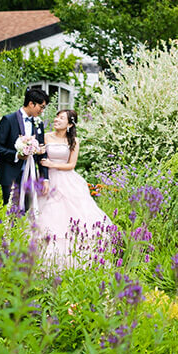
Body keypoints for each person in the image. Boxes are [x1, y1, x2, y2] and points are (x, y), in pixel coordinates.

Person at [32, 108, 113, 269]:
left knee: (71, 215)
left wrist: (52, 164)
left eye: (61, 118)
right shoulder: (45, 136)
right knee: (47, 215)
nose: (56, 120)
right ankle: (41, 258)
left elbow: (71, 165)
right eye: (56, 117)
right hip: (47, 179)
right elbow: (38, 156)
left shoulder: (74, 141)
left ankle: (71, 260)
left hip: (66, 179)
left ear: (69, 124)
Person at [0, 89, 50, 207]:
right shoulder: (8, 120)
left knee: (26, 210)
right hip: (10, 173)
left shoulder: (39, 123)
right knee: (10, 211)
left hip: (30, 174)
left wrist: (45, 178)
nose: (42, 111)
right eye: (41, 107)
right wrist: (16, 155)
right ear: (31, 103)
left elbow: (41, 151)